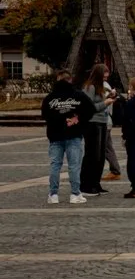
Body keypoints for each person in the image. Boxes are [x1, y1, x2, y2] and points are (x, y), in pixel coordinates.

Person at [41, 71, 95, 205]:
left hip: (55, 135)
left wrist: (57, 121)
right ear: (70, 80)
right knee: (74, 166)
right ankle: (75, 193)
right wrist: (78, 119)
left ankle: (53, 194)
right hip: (73, 134)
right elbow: (91, 109)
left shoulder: (50, 97)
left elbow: (44, 115)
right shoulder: (78, 95)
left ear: (58, 80)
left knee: (55, 165)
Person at [79, 65, 112, 195]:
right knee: (92, 155)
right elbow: (88, 107)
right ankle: (86, 185)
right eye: (104, 74)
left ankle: (95, 183)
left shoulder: (101, 87)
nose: (106, 76)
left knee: (100, 156)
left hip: (103, 122)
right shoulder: (90, 87)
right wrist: (105, 103)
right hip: (92, 123)